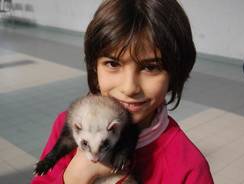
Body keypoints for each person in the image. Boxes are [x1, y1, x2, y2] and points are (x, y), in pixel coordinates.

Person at [31, 0, 214, 183]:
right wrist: (74, 178)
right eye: (112, 64)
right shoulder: (67, 124)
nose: (129, 88)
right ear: (94, 67)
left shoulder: (190, 168)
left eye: (150, 67)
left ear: (175, 73)